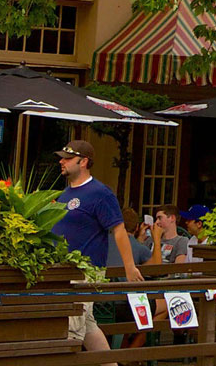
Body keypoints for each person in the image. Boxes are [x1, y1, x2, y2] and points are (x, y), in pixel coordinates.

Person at [52, 140, 143, 364]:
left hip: (84, 270)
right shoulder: (65, 193)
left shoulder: (100, 193)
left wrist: (129, 266)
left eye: (67, 158)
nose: (61, 161)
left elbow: (119, 230)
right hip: (66, 270)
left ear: (83, 162)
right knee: (88, 323)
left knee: (72, 326)